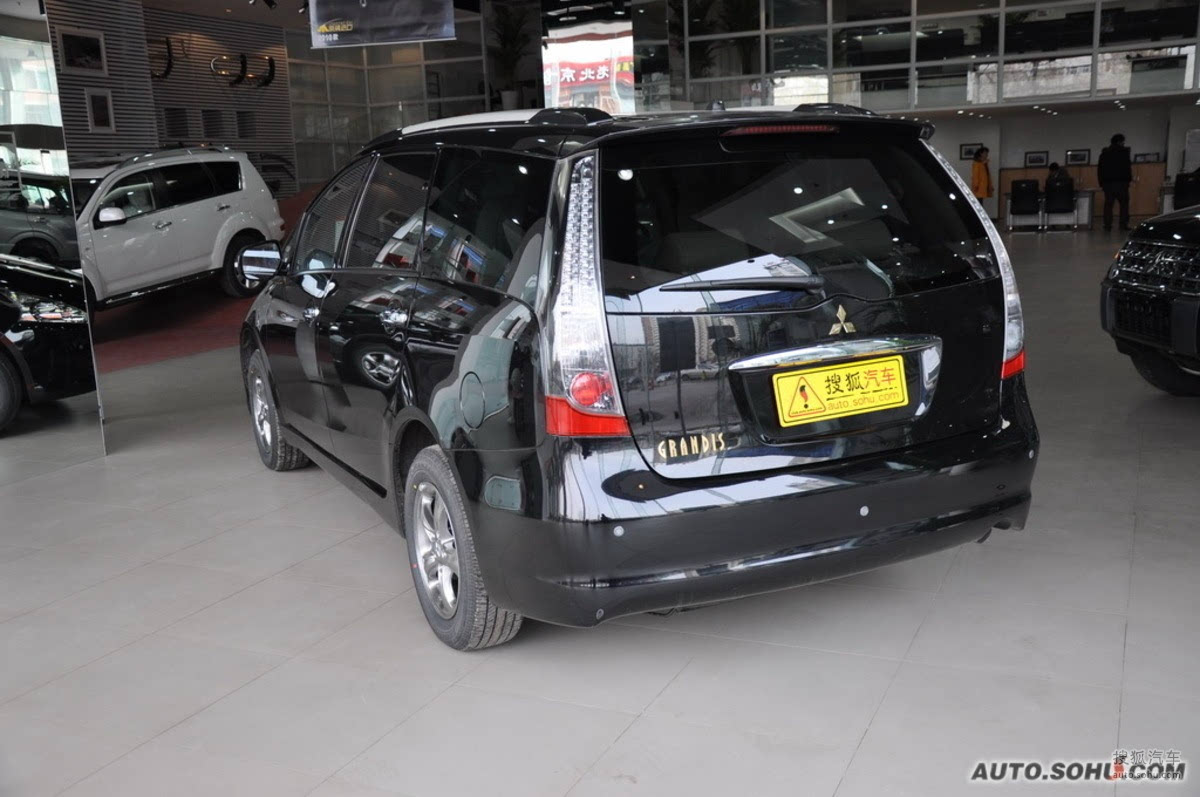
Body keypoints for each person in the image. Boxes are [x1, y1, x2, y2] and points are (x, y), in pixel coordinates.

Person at [1097, 133, 1133, 231]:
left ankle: (1107, 225)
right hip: (1121, 183)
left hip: (1108, 184)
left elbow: (1100, 170)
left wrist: (1101, 183)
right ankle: (1123, 224)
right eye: (1123, 142)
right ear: (1120, 142)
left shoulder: (1104, 153)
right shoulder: (1124, 152)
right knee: (1124, 205)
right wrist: (1128, 181)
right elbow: (1127, 168)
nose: (1124, 144)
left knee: (1108, 205)